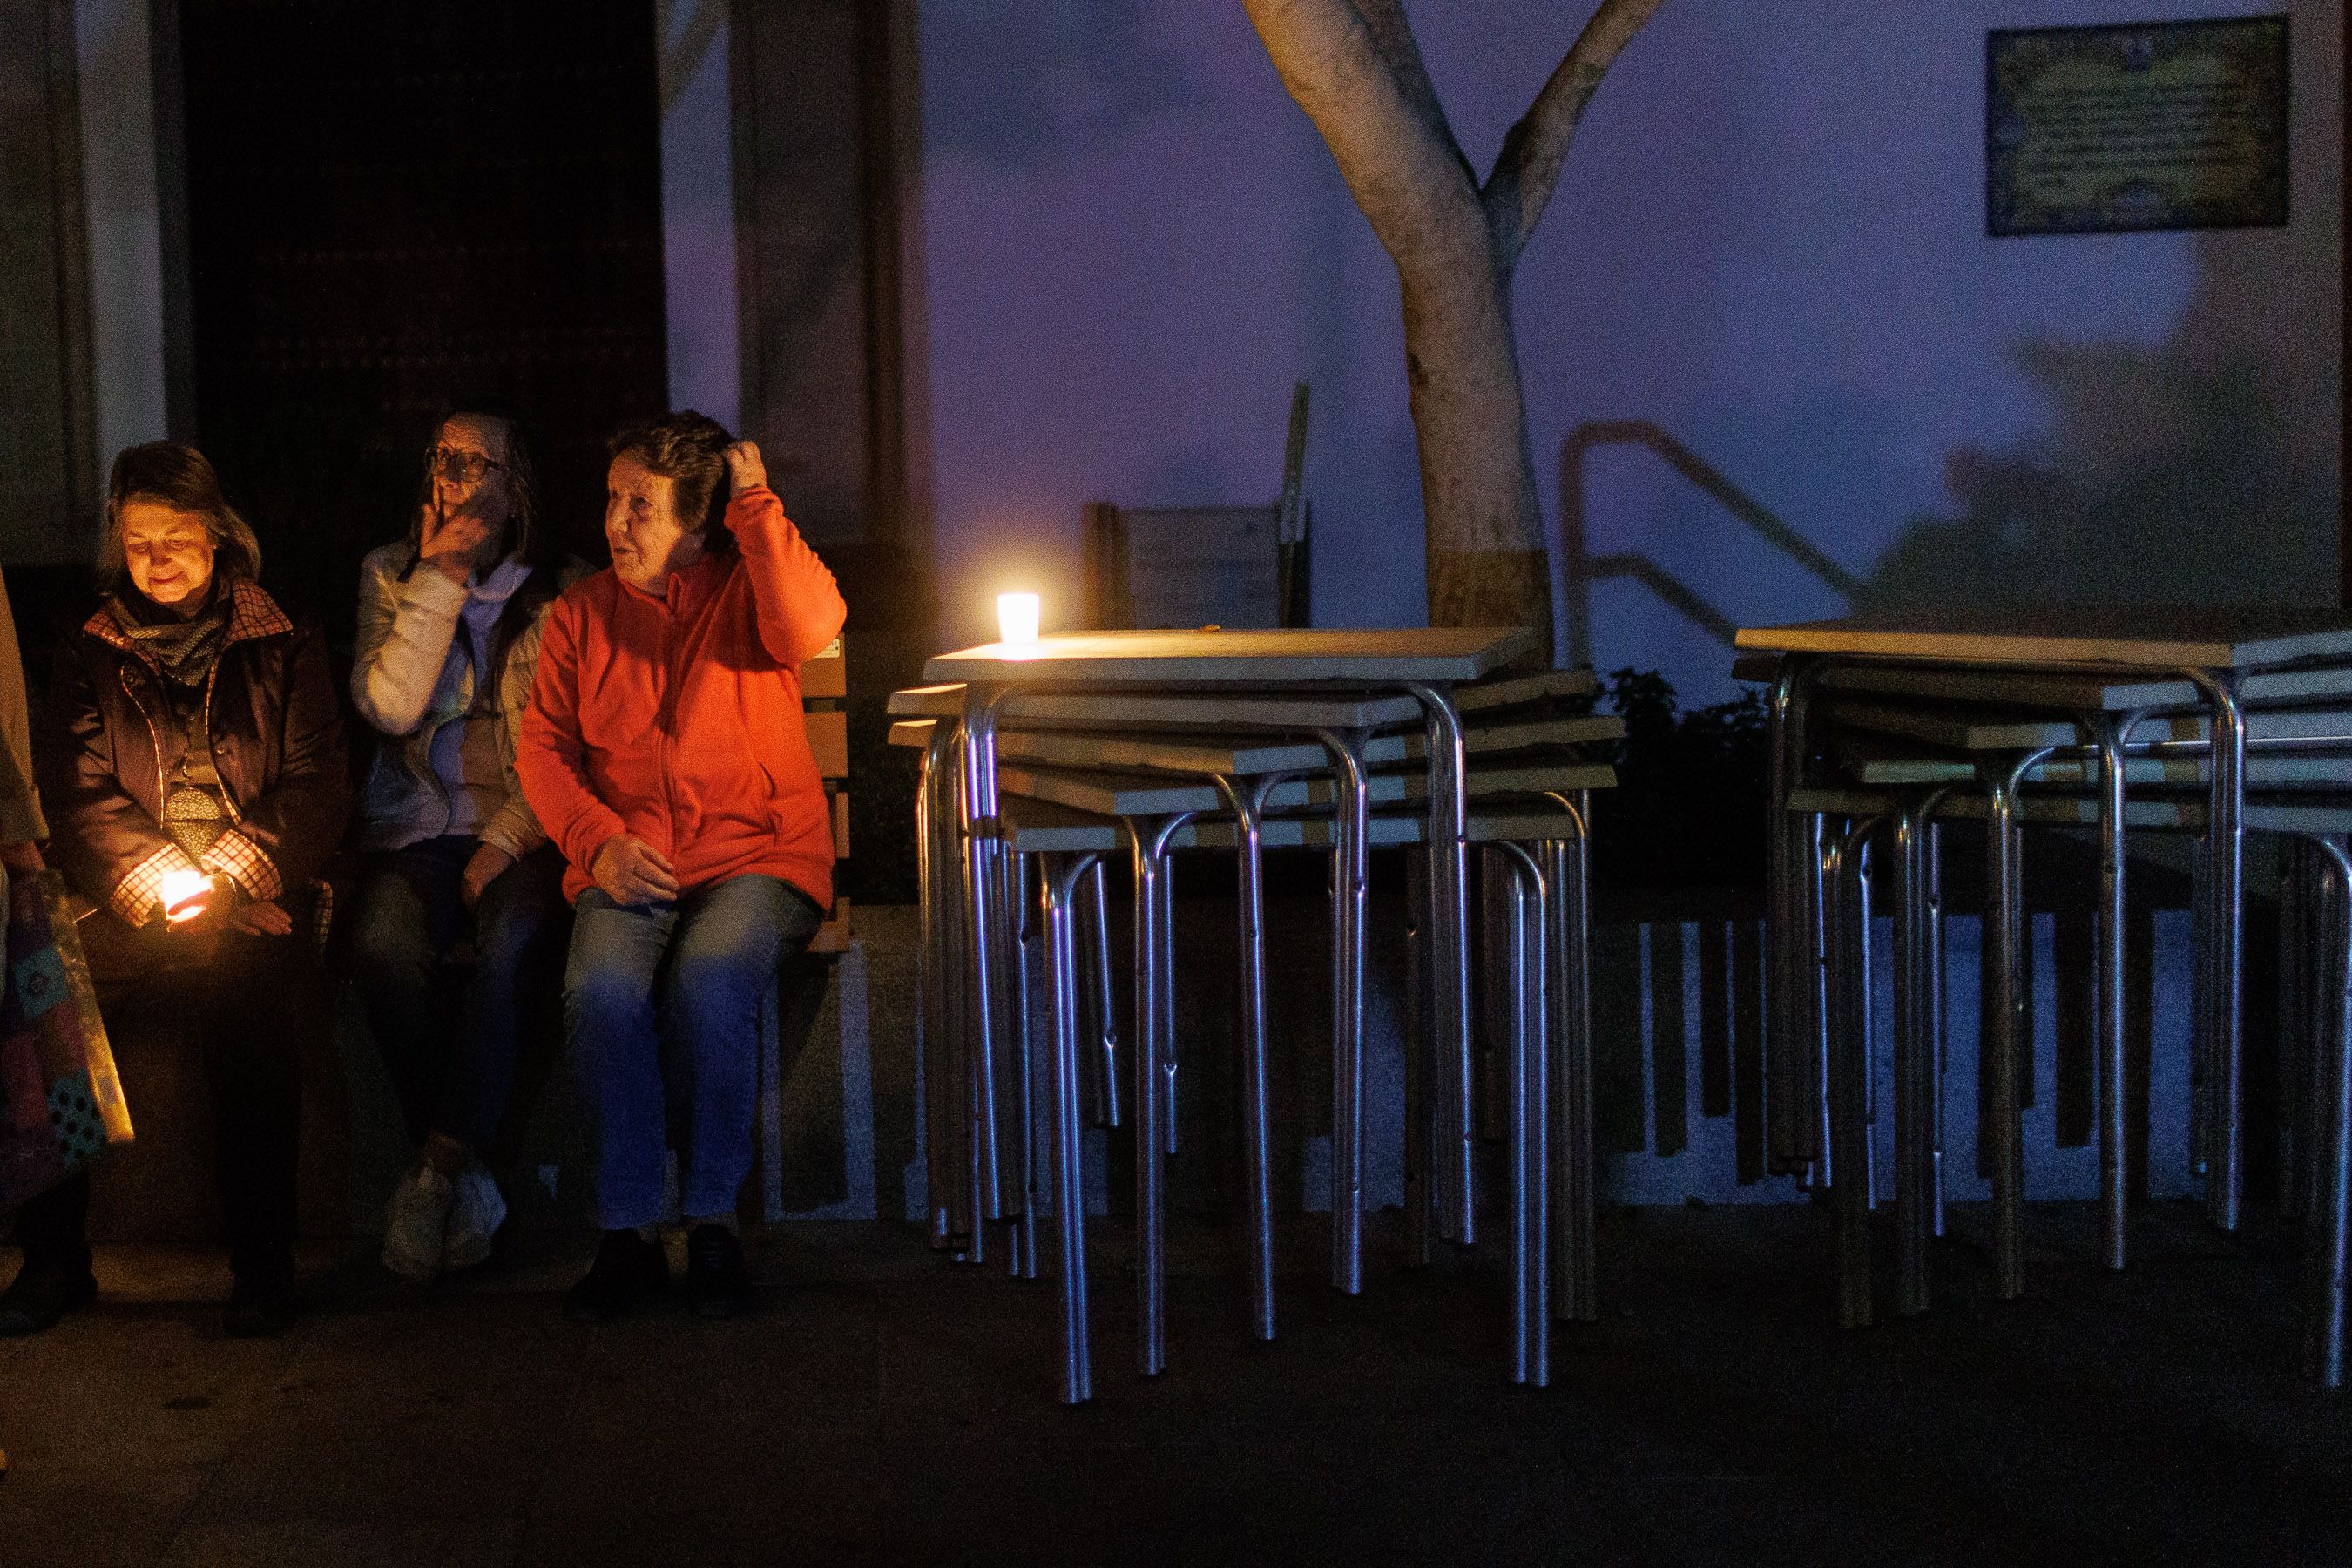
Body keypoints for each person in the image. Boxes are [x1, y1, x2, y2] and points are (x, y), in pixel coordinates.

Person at [3, 442, 348, 1338]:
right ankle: (53, 1256)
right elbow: (76, 788)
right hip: (131, 896)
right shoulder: (89, 644)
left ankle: (263, 1266)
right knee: (45, 991)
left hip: (249, 894)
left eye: (176, 539)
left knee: (249, 1005)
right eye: (137, 542)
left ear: (218, 534)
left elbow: (315, 782)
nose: (156, 560)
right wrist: (163, 886)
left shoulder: (282, 633)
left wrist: (231, 880)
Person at [517, 412, 842, 1321]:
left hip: (758, 856)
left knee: (709, 980)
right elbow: (544, 752)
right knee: (601, 992)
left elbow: (811, 623)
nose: (616, 523)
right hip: (629, 861)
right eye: (613, 500)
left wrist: (757, 503)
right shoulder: (581, 615)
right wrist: (598, 843)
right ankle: (626, 1232)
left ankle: (711, 1223)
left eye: (642, 507)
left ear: (700, 523)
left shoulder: (751, 590)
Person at [348, 411, 579, 1281]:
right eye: (442, 458)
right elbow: (392, 708)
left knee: (514, 943)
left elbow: (569, 751)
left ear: (515, 489)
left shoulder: (561, 594)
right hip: (415, 830)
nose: (453, 476)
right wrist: (439, 578)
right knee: (382, 943)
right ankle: (460, 1174)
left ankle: (431, 1176)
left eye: (478, 463)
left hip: (523, 831)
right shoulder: (389, 573)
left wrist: (505, 842)